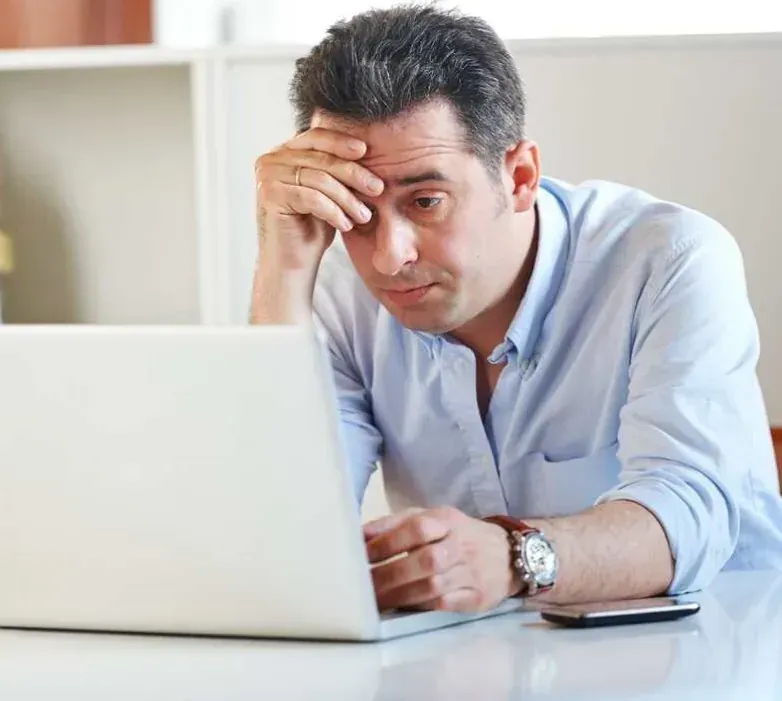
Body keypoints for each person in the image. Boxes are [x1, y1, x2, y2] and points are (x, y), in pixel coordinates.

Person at [249, 4, 782, 613]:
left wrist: (511, 556)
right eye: (358, 210)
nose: (389, 256)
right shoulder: (341, 290)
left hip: (716, 648)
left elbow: (692, 512)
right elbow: (282, 523)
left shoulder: (668, 259)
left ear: (520, 175)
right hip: (490, 659)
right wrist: (283, 272)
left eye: (425, 201)